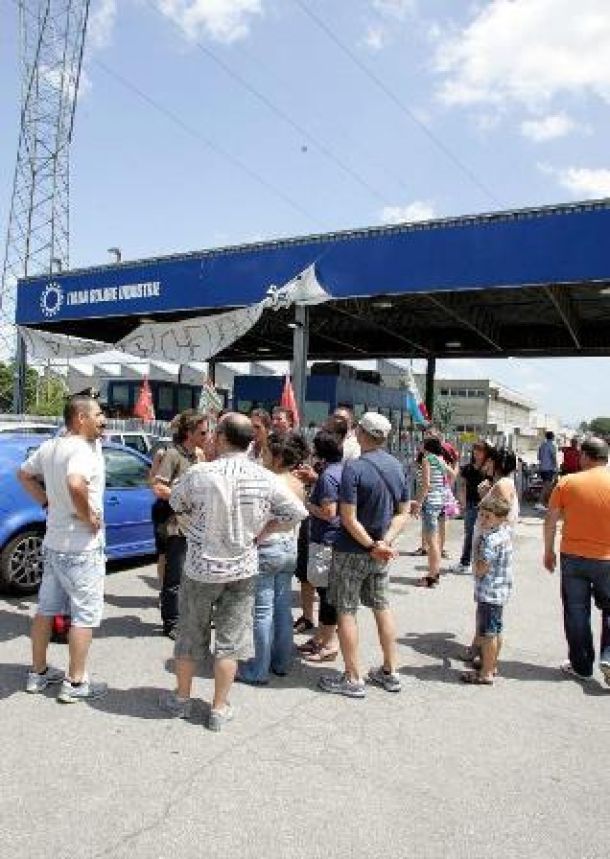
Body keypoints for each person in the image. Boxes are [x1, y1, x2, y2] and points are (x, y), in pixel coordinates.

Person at [160, 413, 307, 730]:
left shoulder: (199, 473)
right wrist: (264, 531)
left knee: (189, 635)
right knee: (230, 642)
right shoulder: (265, 477)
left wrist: (195, 520)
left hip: (200, 567)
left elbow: (175, 501)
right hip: (242, 567)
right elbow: (296, 512)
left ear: (222, 437)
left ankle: (182, 700)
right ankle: (218, 707)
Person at [18, 395, 108, 702]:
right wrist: (88, 516)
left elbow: (24, 474)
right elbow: (75, 483)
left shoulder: (51, 446)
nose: (103, 419)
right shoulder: (81, 449)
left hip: (54, 543)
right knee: (84, 615)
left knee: (46, 609)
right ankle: (75, 682)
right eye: (98, 414)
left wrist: (45, 501)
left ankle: (38, 673)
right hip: (82, 547)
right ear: (81, 418)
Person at [318, 412, 410, 698]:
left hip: (352, 549)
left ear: (361, 432)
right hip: (381, 552)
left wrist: (371, 545)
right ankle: (390, 670)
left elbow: (348, 517)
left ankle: (353, 676)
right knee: (382, 607)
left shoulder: (354, 468)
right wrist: (384, 543)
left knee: (346, 610)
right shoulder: (397, 466)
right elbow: (404, 512)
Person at [237, 431, 307, 684]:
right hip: (289, 548)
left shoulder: (267, 481)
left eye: (266, 452)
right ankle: (281, 662)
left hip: (268, 548)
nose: (262, 456)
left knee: (263, 612)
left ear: (277, 458)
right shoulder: (297, 482)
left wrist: (260, 533)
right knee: (282, 608)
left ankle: (259, 669)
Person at [543, 437, 610, 685]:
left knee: (576, 611)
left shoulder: (568, 482)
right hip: (607, 558)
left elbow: (551, 520)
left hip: (573, 556)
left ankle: (582, 666)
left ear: (585, 457)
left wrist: (548, 551)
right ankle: (609, 657)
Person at [152, 409, 208, 638]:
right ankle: (171, 623)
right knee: (174, 577)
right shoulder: (173, 455)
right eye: (202, 432)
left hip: (196, 526)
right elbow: (158, 487)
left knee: (192, 576)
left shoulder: (199, 456)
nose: (206, 436)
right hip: (177, 525)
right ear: (189, 433)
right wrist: (183, 497)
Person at [298, 429, 344, 662]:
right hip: (336, 539)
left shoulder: (328, 476)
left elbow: (328, 512)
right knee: (328, 593)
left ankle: (329, 643)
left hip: (326, 539)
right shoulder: (342, 470)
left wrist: (306, 505)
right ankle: (321, 638)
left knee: (326, 594)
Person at [461, 496, 513, 686]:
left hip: (490, 592)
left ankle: (486, 673)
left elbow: (482, 568)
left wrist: (476, 563)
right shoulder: (504, 533)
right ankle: (491, 664)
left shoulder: (491, 540)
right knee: (495, 630)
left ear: (500, 518)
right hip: (499, 591)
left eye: (488, 516)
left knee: (488, 632)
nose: (482, 519)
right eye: (481, 515)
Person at [411, 437, 457, 588]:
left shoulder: (427, 460)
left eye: (422, 444)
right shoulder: (439, 459)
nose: (420, 445)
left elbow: (425, 485)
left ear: (427, 447)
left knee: (431, 542)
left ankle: (432, 576)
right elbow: (453, 474)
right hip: (441, 501)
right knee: (435, 540)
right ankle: (434, 573)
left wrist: (418, 504)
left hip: (430, 502)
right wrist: (442, 489)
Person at [452, 441, 493, 575]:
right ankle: (466, 562)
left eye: (480, 450)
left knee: (484, 535)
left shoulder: (489, 468)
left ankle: (480, 563)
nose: (477, 453)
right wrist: (462, 502)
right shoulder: (468, 468)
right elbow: (462, 486)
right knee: (470, 534)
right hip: (471, 504)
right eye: (475, 450)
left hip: (486, 506)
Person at [536, 430, 558, 510]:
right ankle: (539, 502)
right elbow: (553, 457)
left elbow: (539, 457)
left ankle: (545, 503)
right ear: (552, 437)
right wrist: (556, 467)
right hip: (549, 468)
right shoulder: (552, 445)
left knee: (547, 486)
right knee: (546, 486)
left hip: (542, 468)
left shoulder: (542, 446)